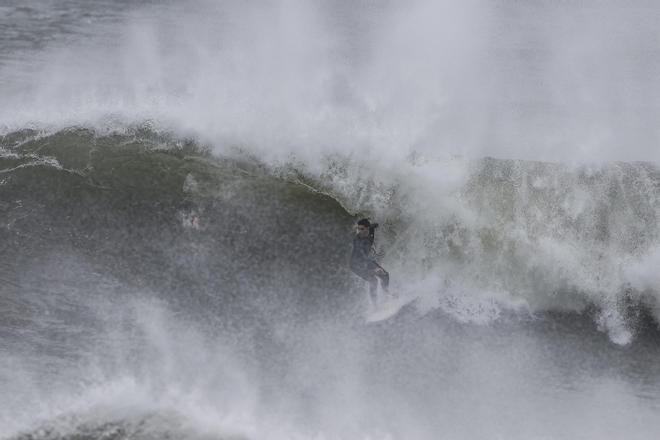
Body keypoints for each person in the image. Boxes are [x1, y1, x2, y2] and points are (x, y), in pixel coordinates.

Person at [350, 218, 389, 303]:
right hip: (356, 265)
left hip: (367, 262)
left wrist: (383, 220)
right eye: (358, 229)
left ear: (367, 228)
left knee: (385, 275)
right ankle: (375, 306)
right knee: (373, 281)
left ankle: (387, 293)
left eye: (362, 229)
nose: (359, 231)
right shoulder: (358, 241)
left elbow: (374, 225)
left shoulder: (370, 230)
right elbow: (363, 255)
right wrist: (374, 269)